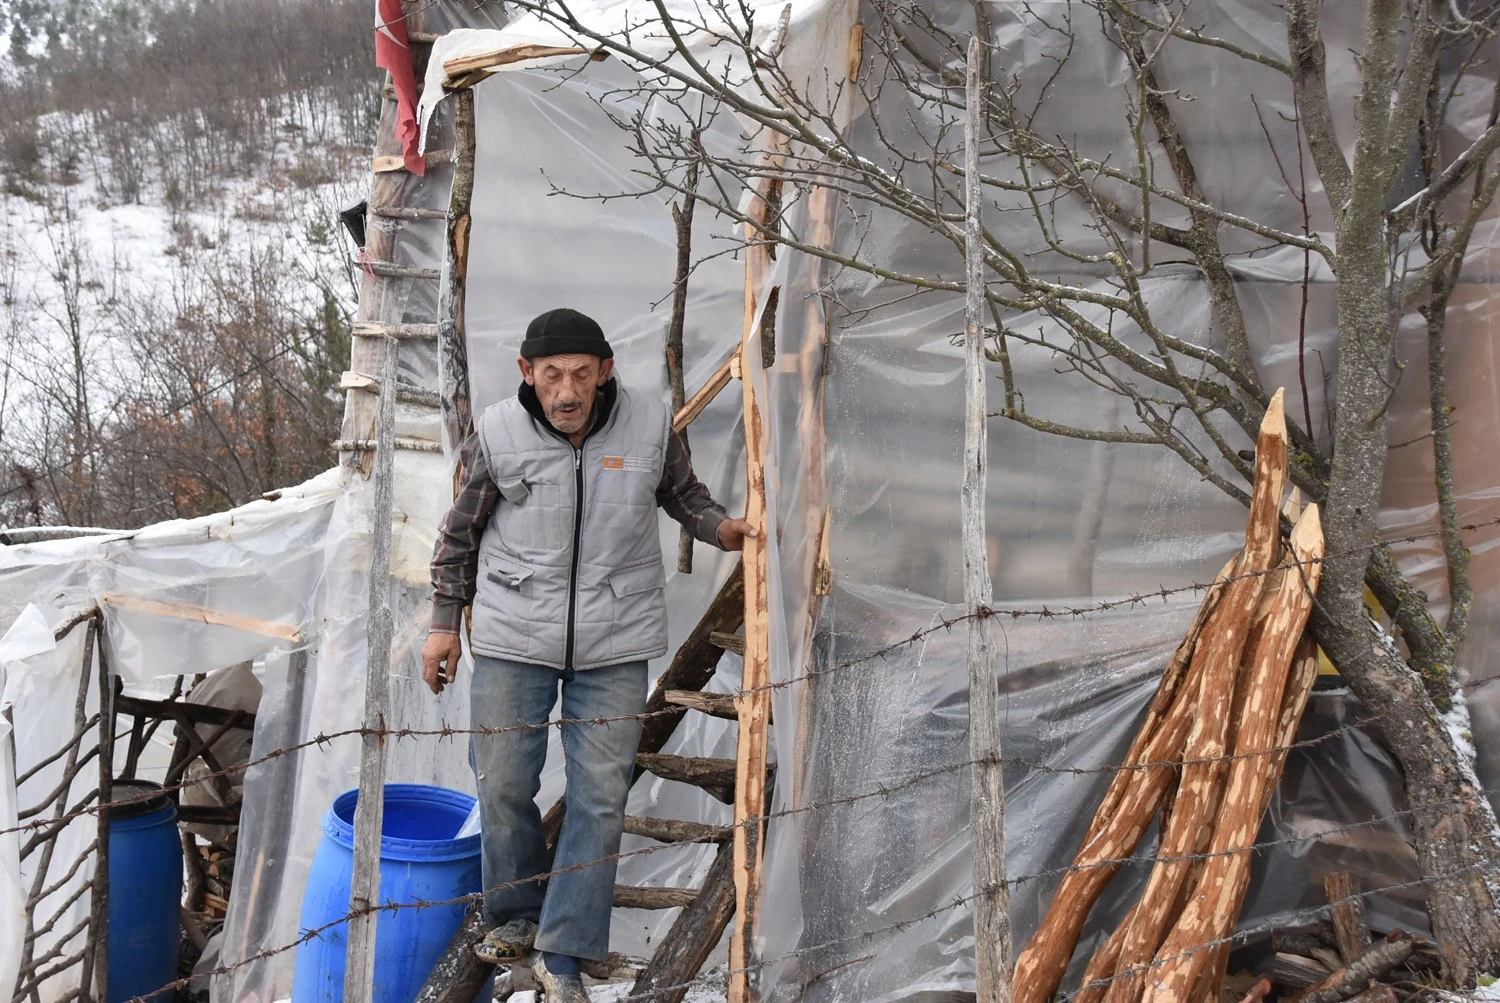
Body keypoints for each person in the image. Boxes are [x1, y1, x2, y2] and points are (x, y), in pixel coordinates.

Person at [421, 307, 755, 1003]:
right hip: (516, 632)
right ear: (527, 374)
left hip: (615, 635)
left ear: (605, 371)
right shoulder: (499, 432)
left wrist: (720, 527)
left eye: (580, 374)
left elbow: (681, 494)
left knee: (600, 797)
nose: (566, 391)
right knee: (505, 779)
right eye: (551, 376)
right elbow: (459, 535)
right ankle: (515, 914)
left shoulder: (646, 424)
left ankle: (564, 946)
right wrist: (444, 623)